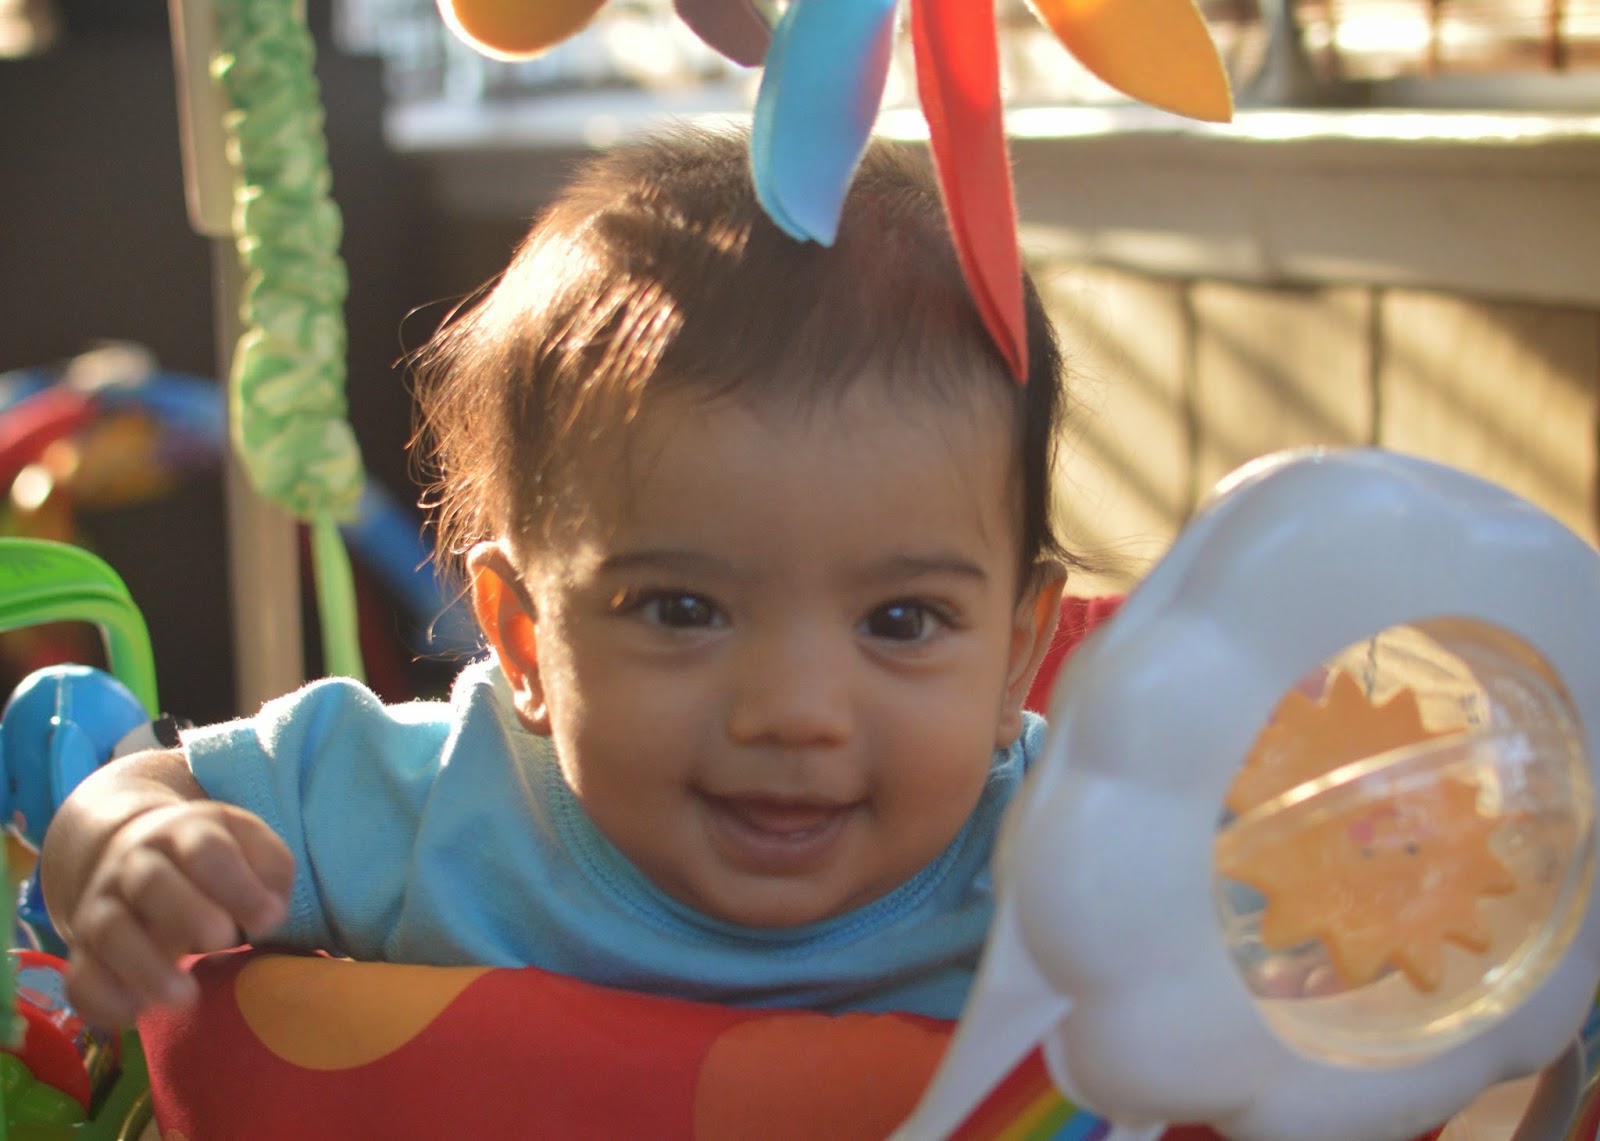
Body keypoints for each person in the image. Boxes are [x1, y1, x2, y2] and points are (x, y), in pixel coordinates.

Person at [41, 125, 1096, 1031]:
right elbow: (133, 790)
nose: (795, 712)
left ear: (1016, 654)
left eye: (902, 619)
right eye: (683, 609)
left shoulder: (1063, 850)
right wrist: (135, 847)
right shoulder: (444, 808)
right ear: (524, 636)